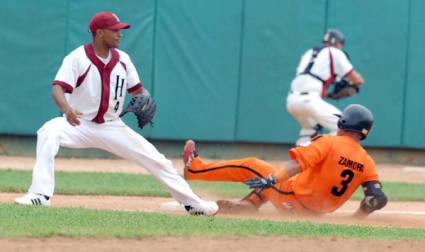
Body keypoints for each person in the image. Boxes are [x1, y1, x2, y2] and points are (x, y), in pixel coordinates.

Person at [14, 12, 218, 216]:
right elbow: (57, 89)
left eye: (121, 30)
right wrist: (67, 110)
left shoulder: (124, 60)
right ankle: (40, 195)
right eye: (115, 30)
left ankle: (192, 204)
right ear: (100, 33)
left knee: (157, 160)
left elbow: (138, 90)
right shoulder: (77, 58)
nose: (120, 34)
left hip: (112, 125)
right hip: (78, 123)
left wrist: (144, 97)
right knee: (48, 131)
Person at [183, 104, 387, 217]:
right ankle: (249, 205)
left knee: (252, 166)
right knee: (276, 177)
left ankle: (194, 169)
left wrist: (272, 179)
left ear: (343, 123)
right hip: (313, 214)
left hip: (292, 199)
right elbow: (377, 198)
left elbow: (296, 165)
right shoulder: (367, 161)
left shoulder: (330, 142)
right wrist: (357, 219)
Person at [287, 29, 365, 146]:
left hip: (291, 101)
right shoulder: (335, 52)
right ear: (338, 43)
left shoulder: (309, 53)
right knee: (344, 127)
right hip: (310, 100)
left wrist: (329, 94)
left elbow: (309, 79)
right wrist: (354, 84)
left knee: (309, 130)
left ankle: (302, 155)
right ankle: (319, 151)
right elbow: (357, 79)